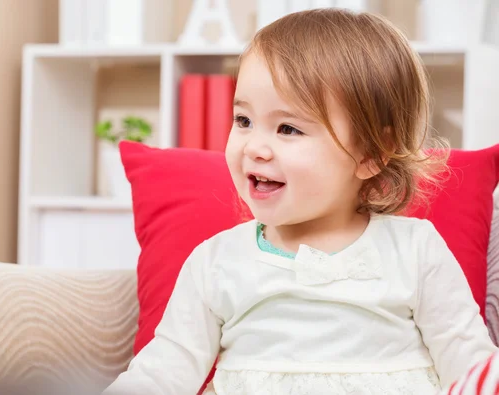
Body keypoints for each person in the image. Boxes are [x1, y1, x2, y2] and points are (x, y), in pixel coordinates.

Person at [102, 8, 497, 395]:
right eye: (243, 121)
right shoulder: (216, 262)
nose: (254, 146)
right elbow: (161, 373)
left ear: (371, 154)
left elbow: (471, 366)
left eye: (287, 128)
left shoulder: (415, 250)